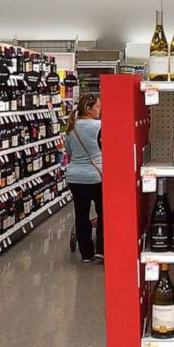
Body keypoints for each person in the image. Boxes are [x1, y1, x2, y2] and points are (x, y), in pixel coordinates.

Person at [63, 93, 104, 264]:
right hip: (96, 176)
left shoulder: (71, 127)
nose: (99, 111)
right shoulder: (100, 126)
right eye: (97, 107)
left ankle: (86, 254)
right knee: (103, 213)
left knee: (81, 214)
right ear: (88, 109)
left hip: (75, 177)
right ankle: (101, 250)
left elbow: (69, 152)